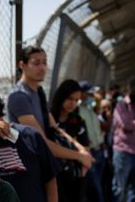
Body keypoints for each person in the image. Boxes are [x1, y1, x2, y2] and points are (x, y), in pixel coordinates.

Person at [6, 45, 93, 173]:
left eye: (44, 62)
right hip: (28, 166)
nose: (42, 68)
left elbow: (55, 127)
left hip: (44, 162)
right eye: (36, 63)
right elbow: (41, 142)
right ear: (22, 65)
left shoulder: (39, 92)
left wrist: (81, 148)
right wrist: (79, 156)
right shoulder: (19, 97)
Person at [78, 81, 106, 202]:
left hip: (98, 150)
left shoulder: (90, 110)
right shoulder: (78, 111)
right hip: (89, 153)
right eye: (88, 93)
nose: (91, 96)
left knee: (95, 188)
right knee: (95, 189)